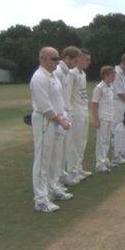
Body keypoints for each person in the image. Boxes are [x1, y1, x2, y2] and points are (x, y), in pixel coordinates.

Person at [29, 47, 72, 212]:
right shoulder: (39, 77)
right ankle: (40, 199)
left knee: (55, 157)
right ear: (43, 58)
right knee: (42, 159)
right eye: (54, 58)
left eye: (58, 58)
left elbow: (59, 100)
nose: (58, 61)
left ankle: (53, 188)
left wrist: (63, 117)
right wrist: (61, 120)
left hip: (57, 120)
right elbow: (44, 106)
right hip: (45, 120)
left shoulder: (53, 76)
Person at [53, 46, 81, 188]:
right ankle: (56, 181)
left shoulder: (68, 73)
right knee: (58, 150)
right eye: (74, 61)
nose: (75, 65)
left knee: (65, 148)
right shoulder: (57, 72)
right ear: (67, 58)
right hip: (59, 115)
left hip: (67, 113)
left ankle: (62, 175)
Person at [65, 48, 92, 184]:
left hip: (83, 110)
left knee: (82, 140)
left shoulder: (83, 74)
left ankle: (78, 167)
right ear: (79, 59)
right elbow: (68, 94)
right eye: (86, 59)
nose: (89, 62)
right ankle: (71, 171)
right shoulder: (72, 73)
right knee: (73, 143)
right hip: (75, 112)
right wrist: (69, 113)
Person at [91, 66, 116, 173]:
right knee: (101, 141)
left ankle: (105, 160)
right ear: (105, 75)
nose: (114, 77)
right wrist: (96, 119)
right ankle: (99, 164)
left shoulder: (111, 87)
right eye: (112, 75)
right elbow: (94, 104)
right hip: (102, 117)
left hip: (110, 117)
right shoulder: (99, 88)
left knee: (107, 140)